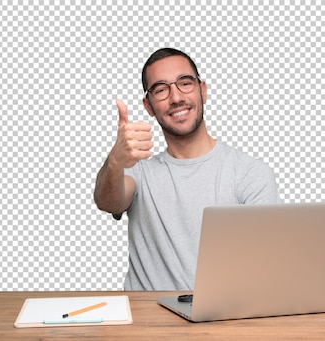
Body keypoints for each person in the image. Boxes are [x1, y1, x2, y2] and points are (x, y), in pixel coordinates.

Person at [94, 48, 281, 290]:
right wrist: (114, 162)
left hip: (223, 318)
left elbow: (268, 261)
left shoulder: (249, 173)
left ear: (203, 90)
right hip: (146, 321)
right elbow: (108, 201)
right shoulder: (137, 172)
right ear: (148, 106)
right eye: (161, 89)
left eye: (185, 83)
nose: (176, 97)